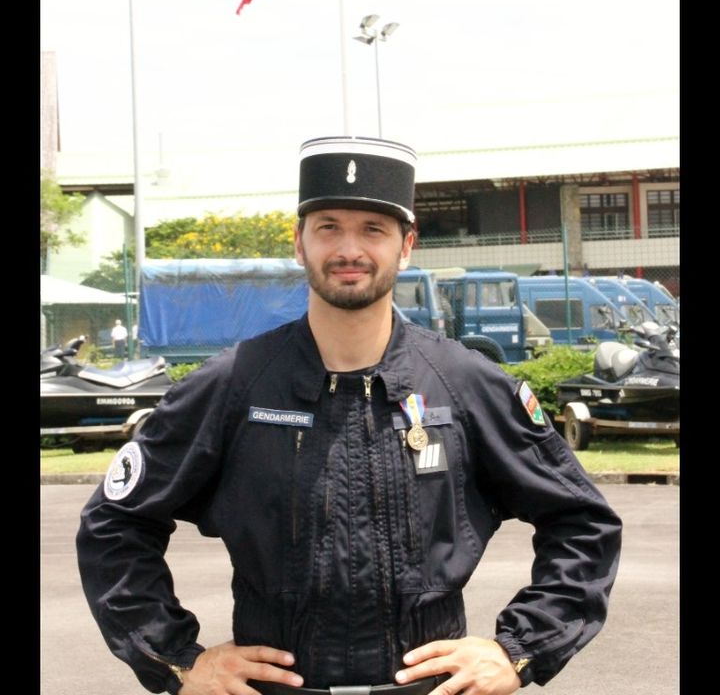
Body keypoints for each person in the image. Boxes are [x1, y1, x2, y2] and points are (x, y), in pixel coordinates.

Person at [77, 135, 622, 695]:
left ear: (406, 246)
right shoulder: (233, 385)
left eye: (373, 230)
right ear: (299, 242)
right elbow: (114, 524)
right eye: (329, 226)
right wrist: (177, 659)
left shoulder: (464, 385)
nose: (349, 249)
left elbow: (582, 521)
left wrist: (519, 650)